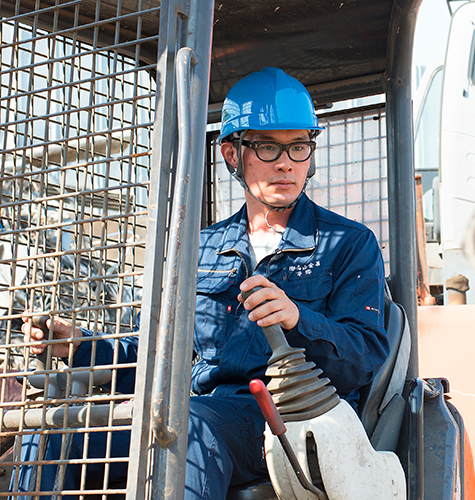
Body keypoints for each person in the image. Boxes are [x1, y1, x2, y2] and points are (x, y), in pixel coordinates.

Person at [19, 67, 390, 499]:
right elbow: (152, 353)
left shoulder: (348, 244)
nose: (287, 162)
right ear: (232, 154)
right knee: (46, 432)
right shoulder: (199, 249)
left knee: (187, 429)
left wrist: (296, 319)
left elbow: (364, 357)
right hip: (200, 408)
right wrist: (82, 346)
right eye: (269, 147)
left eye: (299, 147)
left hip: (291, 419)